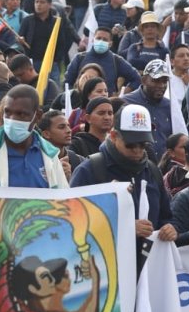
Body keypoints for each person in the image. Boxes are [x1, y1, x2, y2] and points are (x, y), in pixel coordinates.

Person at [69, 103, 177, 243]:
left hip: (147, 261)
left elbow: (166, 216)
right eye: (130, 145)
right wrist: (125, 228)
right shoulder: (90, 170)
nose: (137, 150)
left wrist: (170, 228)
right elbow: (73, 223)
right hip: (105, 261)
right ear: (114, 136)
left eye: (143, 144)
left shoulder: (151, 171)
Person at [0, 85, 69, 188]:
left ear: (38, 116)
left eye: (21, 114)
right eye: (7, 112)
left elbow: (62, 203)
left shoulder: (49, 155)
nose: (12, 119)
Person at [121, 60, 173, 160]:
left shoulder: (170, 106)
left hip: (165, 166)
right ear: (144, 80)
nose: (161, 85)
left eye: (164, 81)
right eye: (156, 80)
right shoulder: (126, 102)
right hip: (135, 163)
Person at [65, 26, 141, 93]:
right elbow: (67, 82)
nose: (101, 41)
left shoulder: (116, 60)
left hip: (106, 104)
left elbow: (136, 78)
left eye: (105, 40)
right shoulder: (79, 58)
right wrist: (73, 96)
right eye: (98, 38)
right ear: (93, 40)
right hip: (81, 103)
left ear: (110, 43)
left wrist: (122, 94)